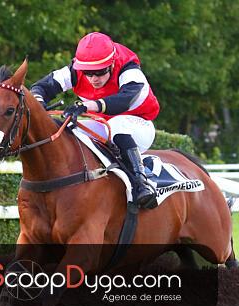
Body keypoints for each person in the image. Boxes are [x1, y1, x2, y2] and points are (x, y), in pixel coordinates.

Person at [30, 32, 160, 209]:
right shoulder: (75, 71)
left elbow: (124, 101)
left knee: (116, 125)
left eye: (99, 72)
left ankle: (141, 184)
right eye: (88, 73)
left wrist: (86, 106)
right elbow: (40, 87)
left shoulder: (129, 70)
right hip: (104, 125)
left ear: (112, 63)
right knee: (70, 128)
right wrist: (38, 104)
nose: (93, 79)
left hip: (138, 124)